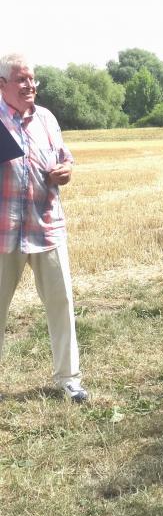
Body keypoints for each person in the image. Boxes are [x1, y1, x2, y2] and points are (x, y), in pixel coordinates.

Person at [0, 53, 88, 402]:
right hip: (3, 231)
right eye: (21, 79)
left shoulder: (47, 118)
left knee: (61, 302)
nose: (30, 85)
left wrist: (66, 170)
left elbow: (64, 156)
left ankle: (69, 378)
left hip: (46, 226)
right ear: (2, 85)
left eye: (32, 79)